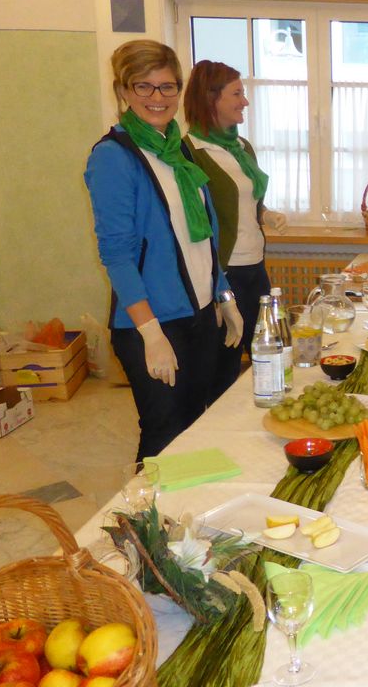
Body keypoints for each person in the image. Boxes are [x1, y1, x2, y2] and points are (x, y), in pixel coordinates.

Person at [85, 40, 243, 460]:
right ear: (123, 90)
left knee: (194, 428)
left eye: (167, 86)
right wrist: (151, 333)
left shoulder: (177, 150)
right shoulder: (114, 157)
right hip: (153, 323)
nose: (157, 97)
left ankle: (187, 506)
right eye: (144, 86)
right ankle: (147, 506)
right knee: (164, 435)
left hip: (200, 315)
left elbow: (202, 239)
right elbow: (117, 254)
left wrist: (224, 295)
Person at [182, 60, 288, 398]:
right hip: (224, 274)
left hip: (255, 266)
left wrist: (265, 215)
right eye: (237, 94)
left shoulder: (242, 148)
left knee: (269, 355)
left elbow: (246, 204)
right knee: (223, 366)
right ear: (210, 98)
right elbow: (194, 220)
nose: (245, 101)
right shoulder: (190, 153)